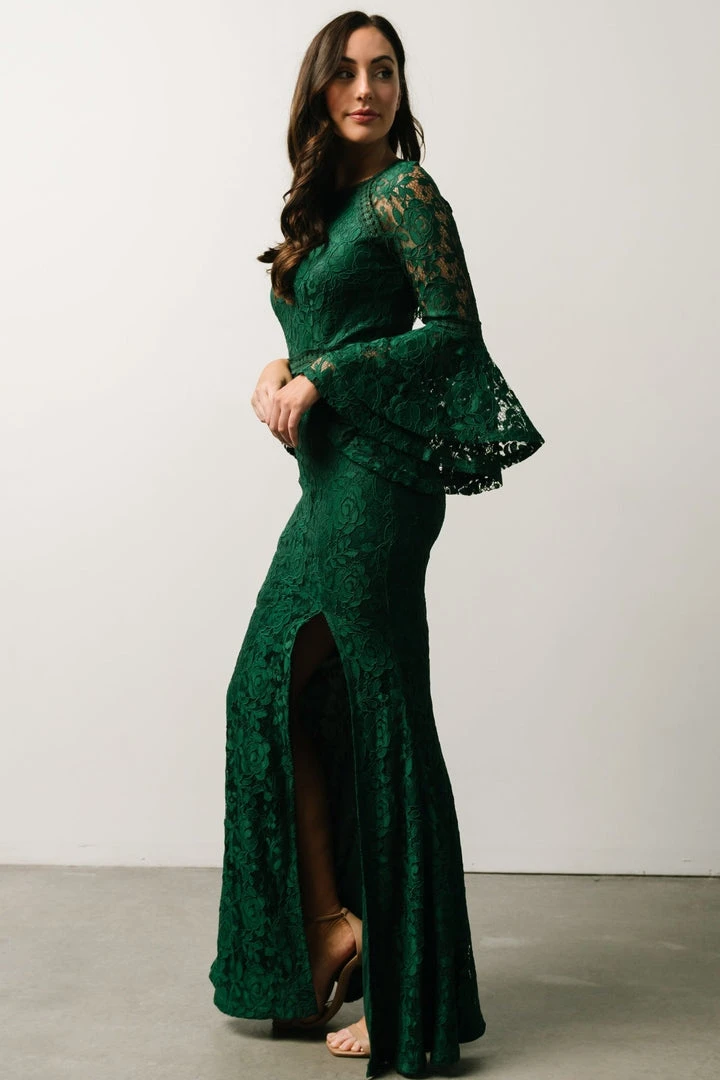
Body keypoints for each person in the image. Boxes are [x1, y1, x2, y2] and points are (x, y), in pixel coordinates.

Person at [208, 11, 544, 1078]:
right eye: (348, 72)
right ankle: (331, 930)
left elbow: (451, 334)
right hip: (328, 478)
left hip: (381, 485)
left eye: (385, 71)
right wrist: (276, 368)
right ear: (320, 90)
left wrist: (327, 374)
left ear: (401, 88)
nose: (368, 88)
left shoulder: (407, 192)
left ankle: (410, 995)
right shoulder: (322, 209)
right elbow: (319, 337)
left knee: (379, 704)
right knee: (275, 692)